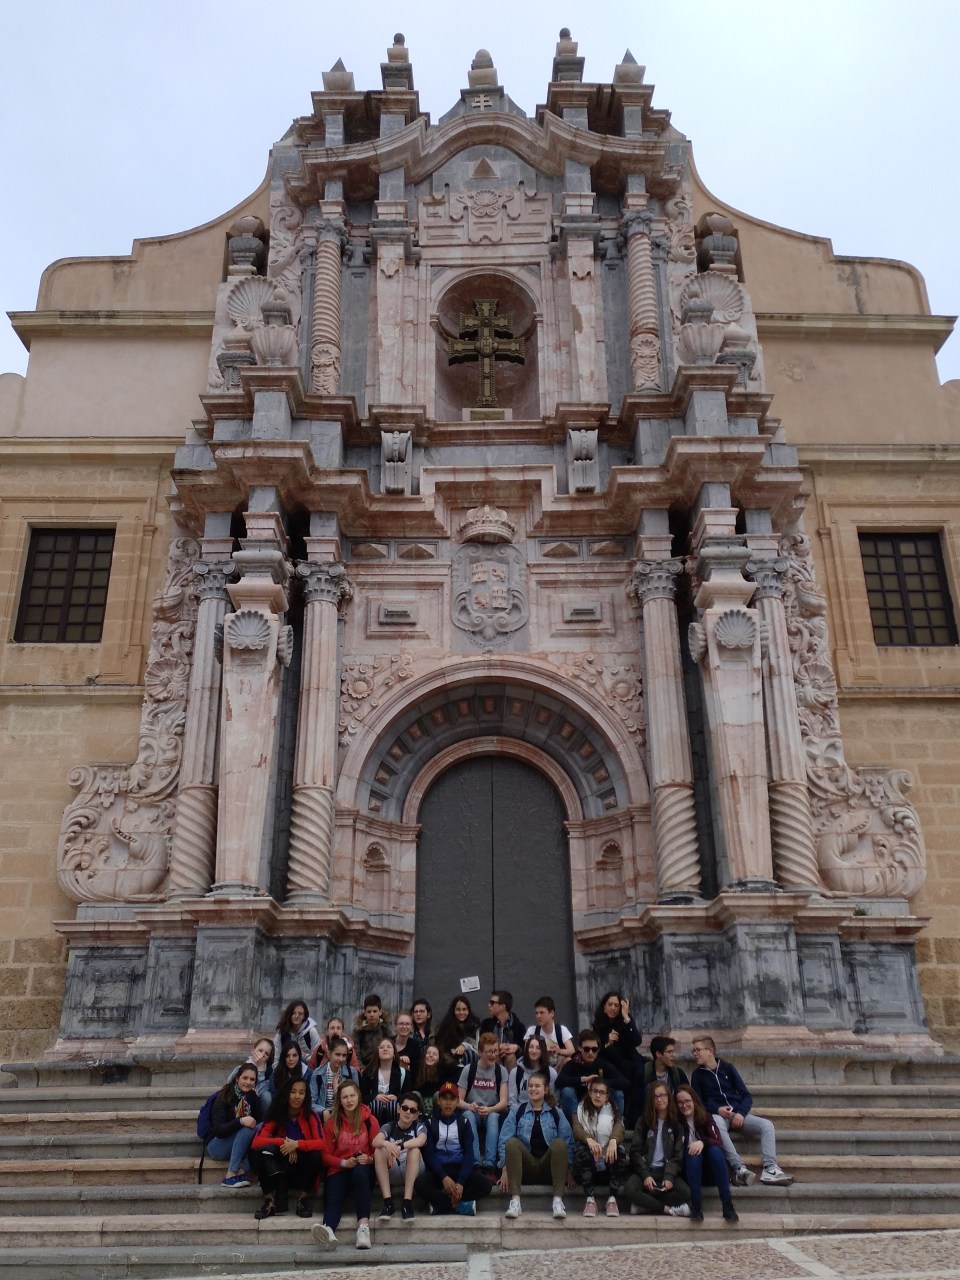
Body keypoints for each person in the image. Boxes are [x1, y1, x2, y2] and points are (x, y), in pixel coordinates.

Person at [691, 1036, 794, 1186]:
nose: (694, 1054)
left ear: (710, 1051)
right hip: (717, 1116)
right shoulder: (697, 1075)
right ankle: (739, 1169)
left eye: (698, 1050)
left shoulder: (727, 1068)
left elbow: (746, 1095)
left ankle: (770, 1168)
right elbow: (698, 1103)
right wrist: (717, 1109)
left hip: (738, 1114)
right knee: (717, 1123)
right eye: (693, 1051)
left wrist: (740, 1113)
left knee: (767, 1125)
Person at [497, 1069, 574, 1220]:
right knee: (512, 1143)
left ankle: (557, 1201)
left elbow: (568, 1142)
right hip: (525, 1167)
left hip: (548, 1168)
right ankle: (515, 1202)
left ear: (545, 1090)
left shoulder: (556, 1112)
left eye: (537, 1086)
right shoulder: (517, 1111)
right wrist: (505, 1169)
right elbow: (504, 1139)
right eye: (530, 1086)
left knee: (559, 1143)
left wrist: (569, 1170)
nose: (533, 1089)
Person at [312, 1080, 380, 1250]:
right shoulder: (332, 1123)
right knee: (335, 1186)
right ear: (339, 1101)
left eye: (352, 1096)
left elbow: (378, 1151)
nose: (349, 1100)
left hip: (363, 1169)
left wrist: (369, 1159)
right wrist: (343, 1162)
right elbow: (324, 1155)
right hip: (339, 1167)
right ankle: (328, 1230)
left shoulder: (370, 1121)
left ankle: (363, 1229)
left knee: (360, 1173)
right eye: (345, 1097)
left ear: (358, 1097)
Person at [250, 1078, 325, 1219]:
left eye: (301, 1093)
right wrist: (284, 1142)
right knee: (260, 1153)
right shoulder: (277, 1113)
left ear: (306, 1095)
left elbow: (322, 1143)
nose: (297, 1096)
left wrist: (297, 1144)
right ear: (286, 1093)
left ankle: (303, 1199)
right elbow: (256, 1142)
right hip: (279, 1168)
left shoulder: (311, 1114)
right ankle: (269, 1201)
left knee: (316, 1156)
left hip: (301, 1168)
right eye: (293, 1092)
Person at [415, 1082, 493, 1216]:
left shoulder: (464, 1123)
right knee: (420, 1184)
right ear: (438, 1101)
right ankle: (457, 1205)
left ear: (457, 1102)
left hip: (459, 1168)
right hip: (438, 1170)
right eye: (444, 1098)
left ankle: (442, 1205)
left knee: (486, 1185)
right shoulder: (430, 1123)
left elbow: (469, 1154)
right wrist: (443, 1177)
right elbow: (429, 1154)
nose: (448, 1103)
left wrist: (461, 1182)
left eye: (452, 1099)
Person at [624, 1082, 691, 1216]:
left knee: (685, 1192)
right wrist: (645, 1175)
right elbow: (635, 1151)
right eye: (655, 1097)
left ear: (668, 1097)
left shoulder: (677, 1124)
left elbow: (678, 1155)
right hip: (646, 1169)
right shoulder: (644, 1121)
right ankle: (665, 1209)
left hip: (665, 1169)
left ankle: (644, 1205)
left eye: (663, 1095)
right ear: (651, 1100)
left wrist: (669, 1176)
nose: (659, 1099)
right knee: (629, 1190)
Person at [674, 1084, 739, 1223]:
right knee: (693, 1153)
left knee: (715, 1151)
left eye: (687, 1101)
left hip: (710, 1171)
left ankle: (727, 1204)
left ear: (694, 1100)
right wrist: (692, 1146)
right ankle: (696, 1205)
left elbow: (718, 1140)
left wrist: (702, 1142)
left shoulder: (706, 1116)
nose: (684, 1105)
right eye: (680, 1102)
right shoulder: (675, 1122)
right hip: (688, 1171)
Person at [571, 1078, 629, 1217]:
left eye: (602, 1092)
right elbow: (577, 1129)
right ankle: (590, 1200)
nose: (598, 1095)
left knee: (620, 1150)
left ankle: (612, 1199)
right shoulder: (578, 1110)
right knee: (581, 1150)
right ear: (590, 1093)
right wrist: (589, 1140)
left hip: (607, 1163)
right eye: (595, 1091)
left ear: (607, 1096)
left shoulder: (614, 1110)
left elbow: (619, 1128)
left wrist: (613, 1140)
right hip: (588, 1167)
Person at [457, 1030, 509, 1172]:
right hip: (472, 1110)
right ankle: (475, 1161)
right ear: (480, 1052)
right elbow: (458, 1100)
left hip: (491, 1111)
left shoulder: (501, 1071)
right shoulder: (469, 1070)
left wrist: (490, 1109)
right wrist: (469, 1106)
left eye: (495, 1051)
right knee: (468, 1116)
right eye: (489, 1052)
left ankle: (489, 1162)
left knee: (493, 1118)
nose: (493, 1055)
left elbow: (504, 1102)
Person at [207, 1063, 263, 1188]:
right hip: (217, 1146)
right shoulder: (224, 1095)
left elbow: (259, 1122)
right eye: (245, 1078)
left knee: (262, 1127)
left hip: (240, 1142)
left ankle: (243, 1170)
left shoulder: (252, 1097)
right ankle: (231, 1174)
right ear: (237, 1078)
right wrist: (240, 1121)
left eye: (252, 1079)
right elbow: (218, 1130)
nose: (248, 1082)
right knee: (247, 1128)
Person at [374, 1090, 428, 1221]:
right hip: (394, 1168)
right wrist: (387, 1145)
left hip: (414, 1170)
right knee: (379, 1150)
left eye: (412, 1110)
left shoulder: (419, 1127)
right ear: (398, 1109)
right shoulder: (389, 1126)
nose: (408, 1112)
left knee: (415, 1150)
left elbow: (421, 1140)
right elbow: (375, 1141)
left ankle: (407, 1204)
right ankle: (388, 1204)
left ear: (416, 1115)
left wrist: (401, 1146)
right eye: (405, 1108)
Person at [555, 1028, 629, 1121]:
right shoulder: (572, 1064)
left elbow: (625, 1082)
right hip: (577, 1105)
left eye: (594, 1049)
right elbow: (559, 1082)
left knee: (618, 1093)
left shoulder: (602, 1064)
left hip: (600, 1104)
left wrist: (599, 1083)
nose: (590, 1053)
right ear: (580, 1048)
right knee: (567, 1091)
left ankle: (617, 1124)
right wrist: (582, 1080)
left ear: (598, 1050)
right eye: (586, 1049)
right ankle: (573, 1126)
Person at [625, 1035, 689, 1128]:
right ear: (658, 1054)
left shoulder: (677, 1073)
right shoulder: (643, 1073)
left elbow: (688, 1094)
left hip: (673, 1118)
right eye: (669, 1052)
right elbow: (635, 1102)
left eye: (673, 1051)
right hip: (650, 1119)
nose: (674, 1055)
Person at [592, 991, 642, 1081]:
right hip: (609, 1064)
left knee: (629, 1066)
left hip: (628, 1063)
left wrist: (626, 1017)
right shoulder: (598, 1025)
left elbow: (637, 1041)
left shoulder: (626, 1022)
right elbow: (596, 1051)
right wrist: (608, 1043)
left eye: (616, 1005)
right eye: (610, 1004)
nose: (613, 1008)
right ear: (604, 1007)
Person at [311, 1035, 360, 1120]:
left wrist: (337, 1092)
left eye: (344, 1055)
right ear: (329, 1054)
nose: (341, 1059)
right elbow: (311, 1102)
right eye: (337, 1054)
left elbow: (356, 1099)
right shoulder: (318, 1073)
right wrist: (324, 1111)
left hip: (344, 1113)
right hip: (322, 1115)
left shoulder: (352, 1073)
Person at [360, 1035, 407, 1124]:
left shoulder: (402, 1073)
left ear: (394, 1052)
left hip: (394, 1109)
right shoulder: (368, 1072)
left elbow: (407, 1095)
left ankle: (393, 1130)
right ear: (378, 1052)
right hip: (374, 1108)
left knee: (393, 1105)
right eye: (381, 1047)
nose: (385, 1049)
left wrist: (397, 1098)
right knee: (376, 1105)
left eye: (389, 1047)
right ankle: (375, 1130)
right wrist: (375, 1097)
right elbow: (362, 1095)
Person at [434, 996, 480, 1085]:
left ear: (468, 1011)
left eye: (464, 1009)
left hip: (469, 1064)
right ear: (453, 1011)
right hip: (450, 1064)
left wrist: (464, 1046)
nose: (461, 1012)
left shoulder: (474, 1027)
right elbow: (441, 1047)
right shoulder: (445, 1028)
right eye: (458, 1009)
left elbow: (476, 1045)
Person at [523, 996, 575, 1065]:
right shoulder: (532, 1031)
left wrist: (559, 1051)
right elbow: (526, 1051)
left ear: (552, 1013)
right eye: (536, 1013)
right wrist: (543, 1051)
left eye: (542, 1012)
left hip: (557, 1067)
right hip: (539, 1066)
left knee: (568, 1060)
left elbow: (572, 1051)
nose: (538, 1016)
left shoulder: (561, 1030)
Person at [508, 1036, 558, 1107]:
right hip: (520, 1111)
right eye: (531, 1047)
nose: (534, 1051)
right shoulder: (515, 1072)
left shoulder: (551, 1073)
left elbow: (553, 1100)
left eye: (538, 1048)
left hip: (543, 1111)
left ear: (543, 1051)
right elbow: (512, 1102)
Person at [479, 990, 525, 1068]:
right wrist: (498, 1047)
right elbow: (481, 1044)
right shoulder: (486, 1024)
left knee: (510, 1056)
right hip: (492, 1058)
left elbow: (525, 1049)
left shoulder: (518, 1026)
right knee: (494, 1055)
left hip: (512, 1061)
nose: (489, 1005)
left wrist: (516, 1048)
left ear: (502, 1007)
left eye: (492, 1003)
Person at [228, 1037, 274, 1105]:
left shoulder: (268, 1071)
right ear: (253, 1051)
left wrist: (260, 1068)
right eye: (260, 1050)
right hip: (239, 1101)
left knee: (267, 1097)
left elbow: (261, 1093)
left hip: (257, 1104)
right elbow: (229, 1082)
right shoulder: (240, 1069)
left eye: (266, 1054)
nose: (262, 1055)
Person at [355, 993, 392, 1069]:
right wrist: (361, 1068)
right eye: (369, 1012)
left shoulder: (386, 1030)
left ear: (380, 1012)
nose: (372, 1015)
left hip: (383, 1067)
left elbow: (391, 1050)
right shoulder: (358, 1032)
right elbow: (356, 1054)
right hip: (364, 1067)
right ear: (365, 1013)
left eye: (375, 1011)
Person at [392, 1011, 422, 1078]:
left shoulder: (415, 1045)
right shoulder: (388, 1042)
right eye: (401, 1024)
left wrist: (405, 1068)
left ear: (412, 1027)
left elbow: (416, 1072)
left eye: (407, 1024)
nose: (404, 1026)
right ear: (395, 1026)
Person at [415, 1044, 442, 1115]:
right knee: (415, 1094)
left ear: (439, 1058)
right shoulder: (416, 1070)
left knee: (438, 1094)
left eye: (434, 1054)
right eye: (428, 1053)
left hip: (436, 1108)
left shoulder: (442, 1072)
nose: (431, 1055)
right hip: (420, 1108)